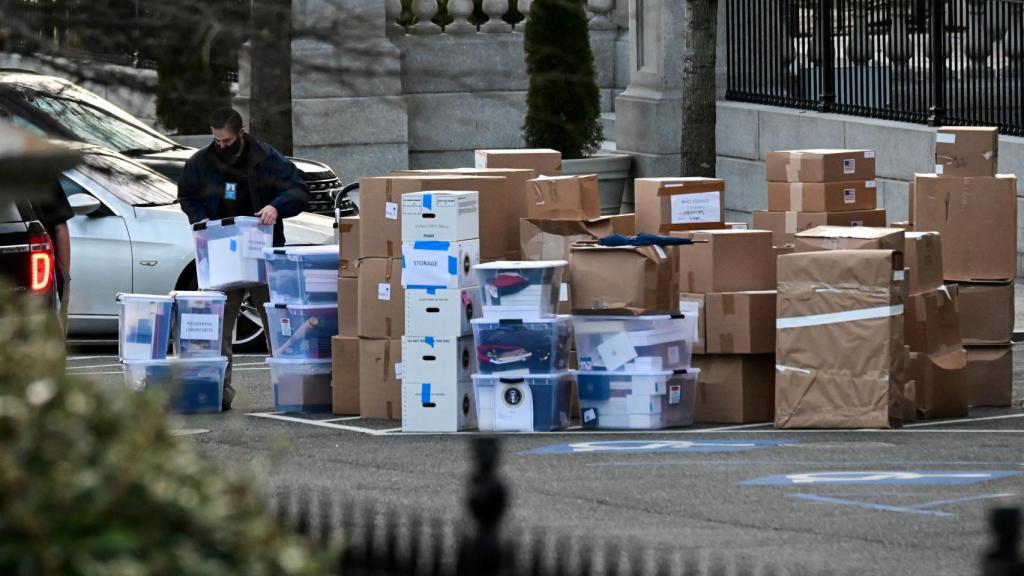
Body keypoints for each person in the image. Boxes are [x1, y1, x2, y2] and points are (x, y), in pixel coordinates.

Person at [177, 108, 310, 410]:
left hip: (260, 248)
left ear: (241, 133)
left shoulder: (265, 157)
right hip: (221, 250)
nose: (221, 145)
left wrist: (276, 207)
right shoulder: (202, 161)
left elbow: (299, 190)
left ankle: (291, 391)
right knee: (219, 327)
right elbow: (187, 195)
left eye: (226, 141)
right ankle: (218, 393)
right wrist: (200, 219)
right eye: (216, 140)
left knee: (277, 323)